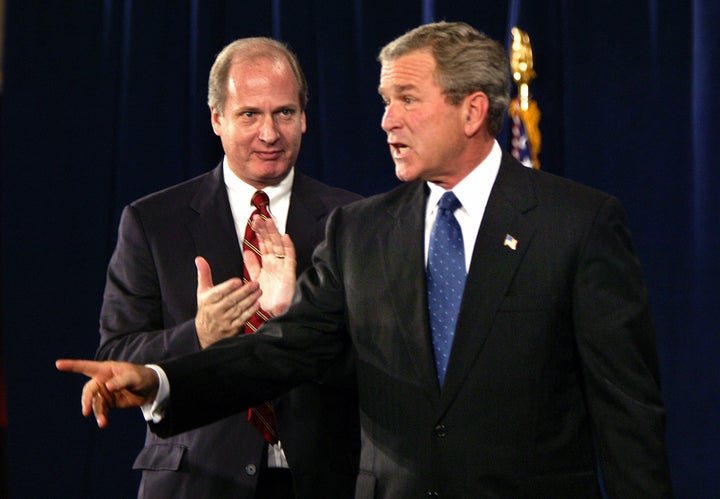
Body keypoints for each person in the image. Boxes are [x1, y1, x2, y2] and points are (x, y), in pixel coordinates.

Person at [58, 22, 673, 497]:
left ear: (473, 110)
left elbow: (628, 416)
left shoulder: (578, 224)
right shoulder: (362, 229)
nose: (386, 121)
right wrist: (162, 380)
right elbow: (282, 352)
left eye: (406, 99)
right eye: (384, 100)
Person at [92, 37, 361, 499]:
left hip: (322, 479)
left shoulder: (353, 221)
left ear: (305, 118)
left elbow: (379, 359)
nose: (270, 133)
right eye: (249, 114)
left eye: (285, 113)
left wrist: (292, 316)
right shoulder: (153, 222)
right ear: (217, 119)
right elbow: (115, 358)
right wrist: (199, 334)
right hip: (197, 480)